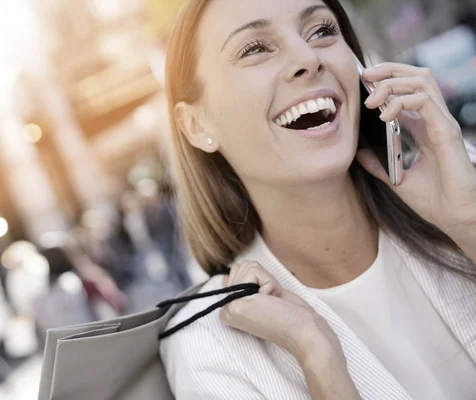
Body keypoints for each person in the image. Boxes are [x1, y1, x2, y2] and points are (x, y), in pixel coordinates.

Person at [159, 0, 476, 399]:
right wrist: (318, 359)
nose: (307, 59)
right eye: (254, 48)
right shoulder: (211, 348)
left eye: (322, 31)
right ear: (196, 124)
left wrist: (468, 222)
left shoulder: (463, 182)